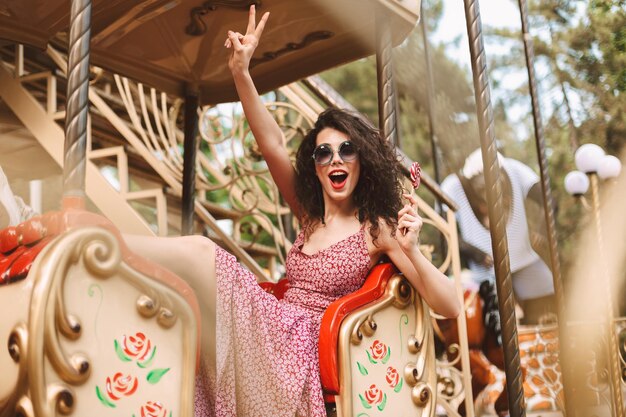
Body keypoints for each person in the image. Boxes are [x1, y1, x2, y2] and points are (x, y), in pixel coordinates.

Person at [125, 6, 460, 417]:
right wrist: (241, 74)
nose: (335, 159)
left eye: (346, 149)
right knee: (185, 306)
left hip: (302, 352)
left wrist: (413, 252)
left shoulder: (377, 229)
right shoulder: (309, 215)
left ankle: (103, 241)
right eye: (323, 152)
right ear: (315, 167)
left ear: (362, 160)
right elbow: (271, 145)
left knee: (201, 253)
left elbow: (450, 307)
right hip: (275, 331)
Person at [440, 149, 555, 329]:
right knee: (484, 322)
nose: (489, 195)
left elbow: (549, 201)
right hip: (483, 273)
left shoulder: (516, 170)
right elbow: (445, 232)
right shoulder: (452, 187)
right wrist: (475, 253)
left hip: (524, 259)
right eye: (482, 189)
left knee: (546, 310)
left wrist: (541, 232)